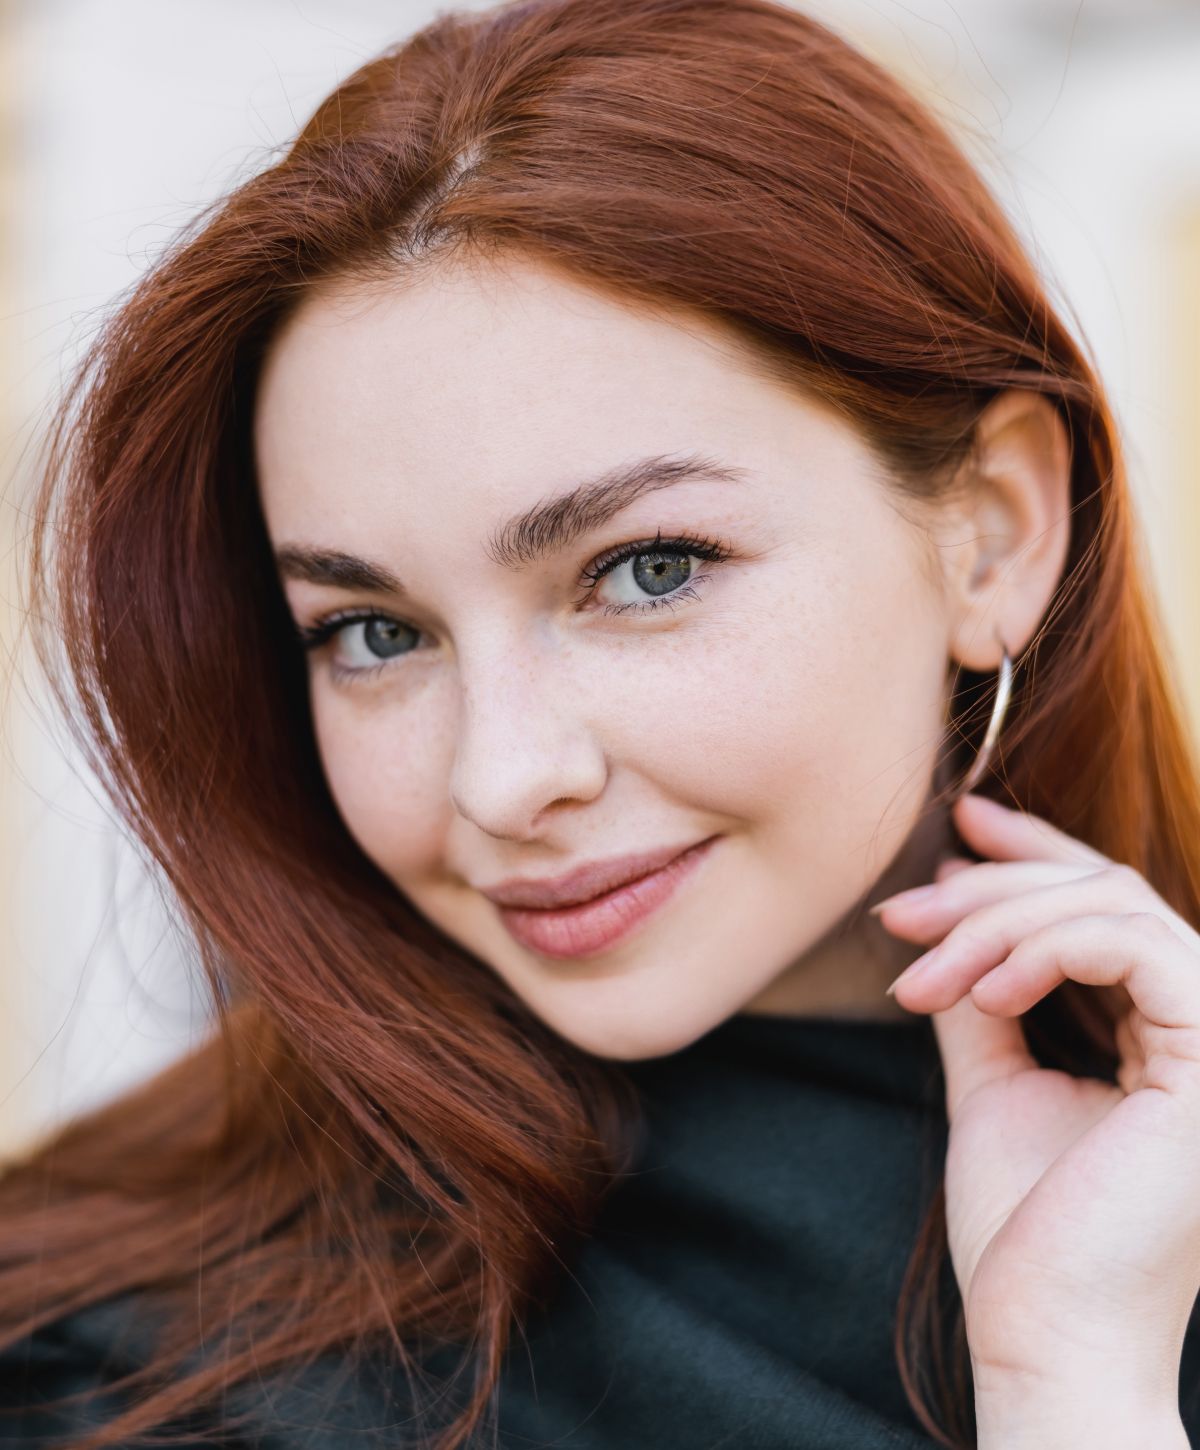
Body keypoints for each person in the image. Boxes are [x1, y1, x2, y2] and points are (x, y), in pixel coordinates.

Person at [3, 0, 1200, 1445]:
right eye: (374, 633)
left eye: (645, 570)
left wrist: (1080, 1384)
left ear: (995, 533)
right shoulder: (121, 1372)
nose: (504, 778)